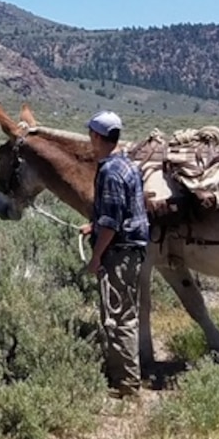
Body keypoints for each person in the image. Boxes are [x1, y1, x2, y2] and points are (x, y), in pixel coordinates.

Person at [79, 109, 150, 397]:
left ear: (97, 136)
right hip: (132, 249)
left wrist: (96, 257)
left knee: (119, 316)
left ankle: (127, 384)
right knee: (124, 312)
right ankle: (123, 377)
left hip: (118, 253)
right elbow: (120, 211)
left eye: (90, 134)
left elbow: (112, 223)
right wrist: (93, 225)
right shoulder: (127, 165)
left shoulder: (108, 171)